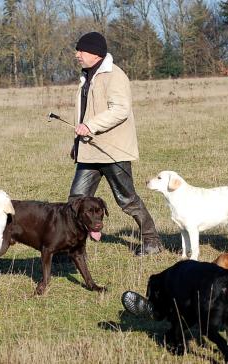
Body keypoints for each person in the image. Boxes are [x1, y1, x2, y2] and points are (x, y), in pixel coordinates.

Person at [68, 31, 163, 256]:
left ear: (95, 53)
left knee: (127, 200)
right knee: (74, 203)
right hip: (89, 152)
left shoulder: (115, 75)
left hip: (113, 151)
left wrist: (90, 126)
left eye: (81, 50)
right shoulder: (86, 77)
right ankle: (71, 248)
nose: (77, 55)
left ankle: (152, 241)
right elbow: (84, 114)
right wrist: (77, 144)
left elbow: (120, 109)